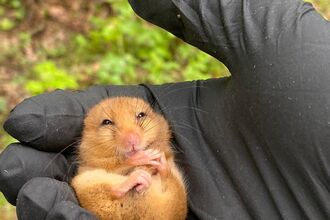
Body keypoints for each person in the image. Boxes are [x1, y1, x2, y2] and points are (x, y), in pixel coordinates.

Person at [1, 0, 330, 219]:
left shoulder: (162, 141)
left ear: (154, 117)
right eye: (107, 124)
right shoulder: (92, 153)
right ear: (88, 130)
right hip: (115, 193)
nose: (130, 134)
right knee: (85, 183)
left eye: (141, 116)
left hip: (158, 198)